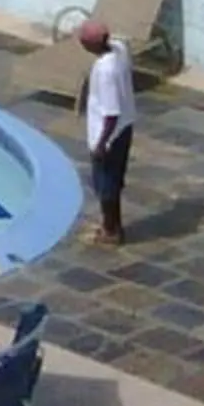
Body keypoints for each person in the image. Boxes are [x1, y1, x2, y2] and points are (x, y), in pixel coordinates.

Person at [78, 16, 135, 246]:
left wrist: (102, 144)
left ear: (91, 45)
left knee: (105, 184)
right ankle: (112, 224)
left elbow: (111, 113)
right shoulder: (119, 49)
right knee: (113, 179)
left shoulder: (105, 71)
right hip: (126, 127)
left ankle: (111, 230)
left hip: (110, 135)